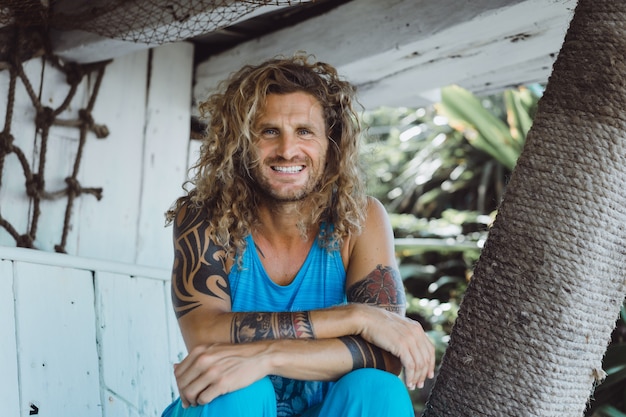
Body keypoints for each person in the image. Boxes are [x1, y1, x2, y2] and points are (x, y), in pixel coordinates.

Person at [162, 53, 435, 417]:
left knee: (377, 389)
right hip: (228, 408)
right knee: (237, 392)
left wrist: (266, 357)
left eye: (304, 132)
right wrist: (358, 318)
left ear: (331, 142)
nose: (287, 150)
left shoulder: (360, 218)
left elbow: (385, 354)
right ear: (240, 143)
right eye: (268, 131)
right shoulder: (203, 216)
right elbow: (205, 336)